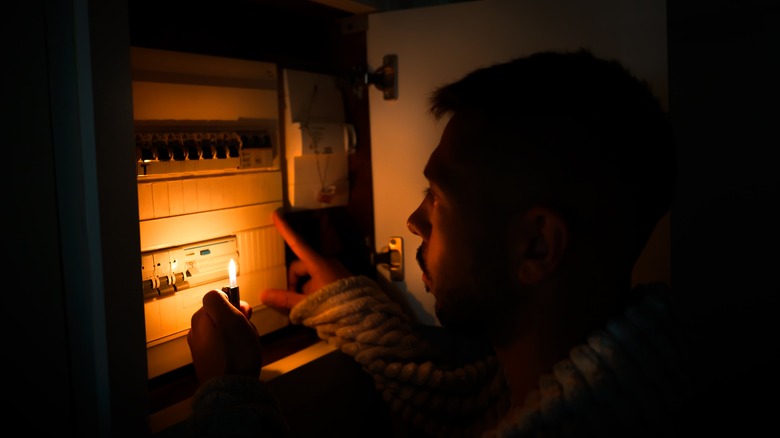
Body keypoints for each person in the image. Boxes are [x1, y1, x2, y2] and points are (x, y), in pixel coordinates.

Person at [187, 49, 701, 437]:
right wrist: (350, 304)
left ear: (537, 246)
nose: (413, 221)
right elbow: (449, 400)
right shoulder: (590, 386)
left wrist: (229, 392)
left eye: (437, 196)